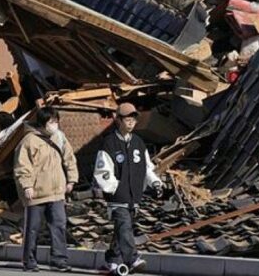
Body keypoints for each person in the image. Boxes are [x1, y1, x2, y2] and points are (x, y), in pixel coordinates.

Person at [93, 102, 163, 274]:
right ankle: (132, 259)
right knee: (124, 226)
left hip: (134, 196)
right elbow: (102, 170)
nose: (131, 122)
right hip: (117, 196)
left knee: (121, 229)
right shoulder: (109, 143)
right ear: (118, 120)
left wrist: (155, 182)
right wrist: (114, 188)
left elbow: (147, 167)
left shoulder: (139, 143)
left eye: (133, 118)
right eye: (127, 118)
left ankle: (112, 260)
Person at [14, 107, 79, 272]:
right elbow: (22, 166)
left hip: (57, 192)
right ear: (42, 123)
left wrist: (71, 179)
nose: (55, 125)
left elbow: (69, 158)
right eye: (51, 122)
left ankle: (60, 260)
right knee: (33, 228)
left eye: (56, 121)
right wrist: (27, 185)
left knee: (59, 225)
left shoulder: (60, 137)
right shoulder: (29, 141)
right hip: (36, 193)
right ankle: (29, 261)